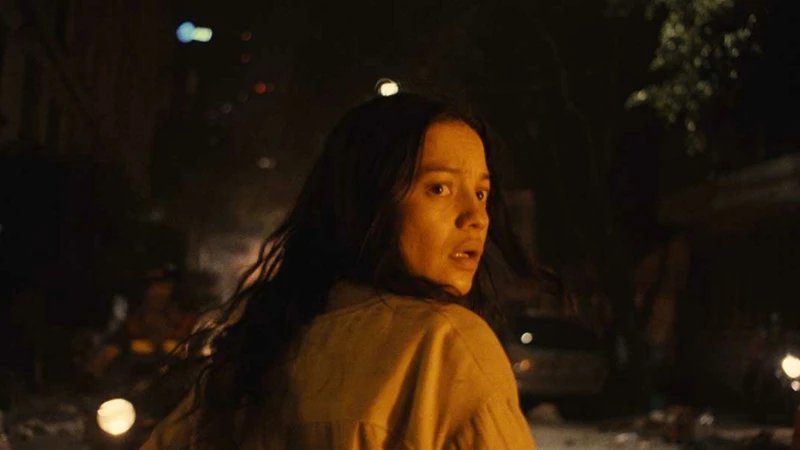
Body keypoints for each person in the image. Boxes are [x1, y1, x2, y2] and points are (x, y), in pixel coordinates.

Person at [143, 93, 546, 449]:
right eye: (439, 188)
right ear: (370, 203)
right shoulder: (445, 346)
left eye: (481, 193)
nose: (476, 216)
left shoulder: (260, 352)